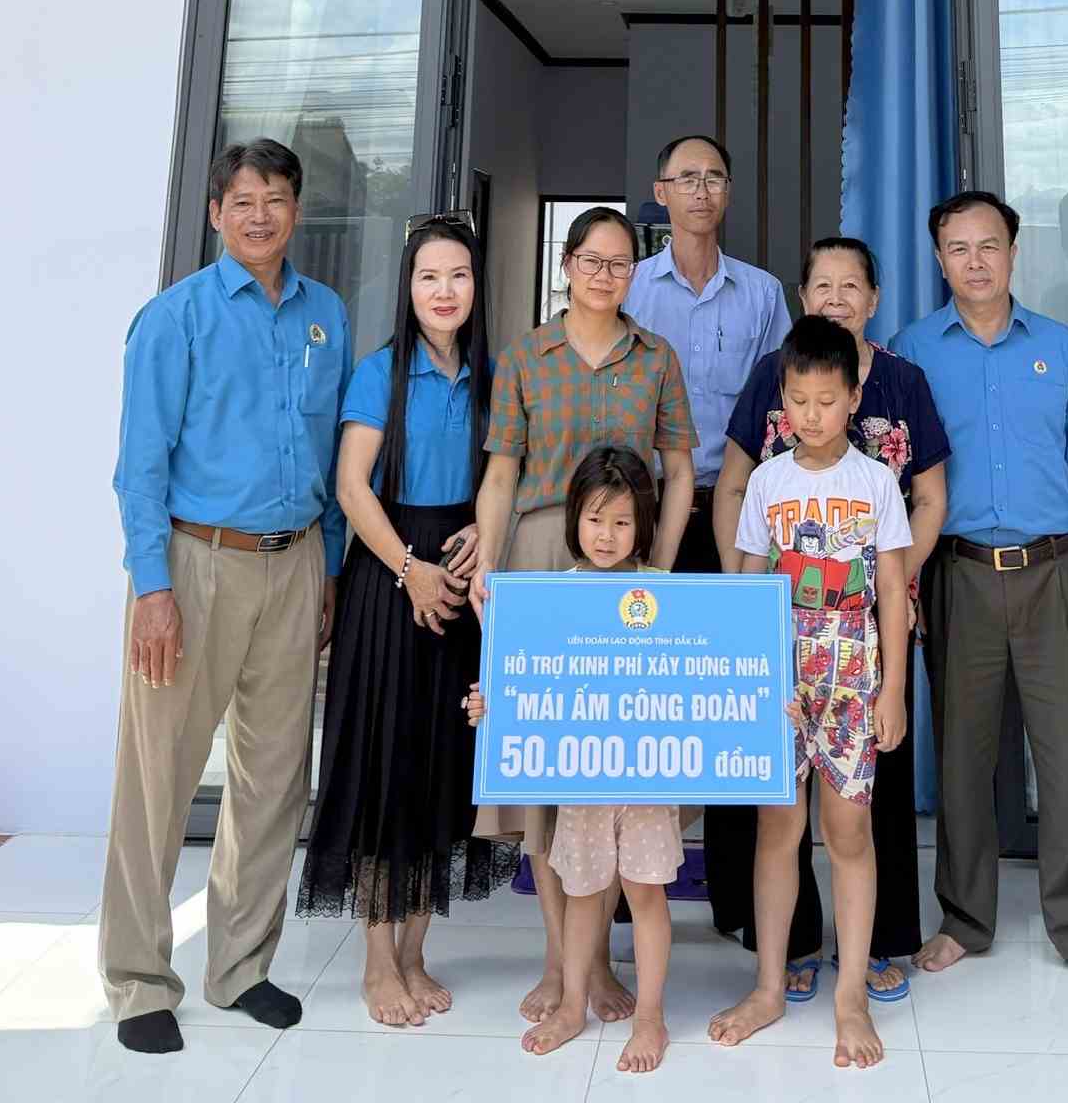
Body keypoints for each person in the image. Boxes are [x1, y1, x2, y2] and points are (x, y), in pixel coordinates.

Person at [102, 139, 349, 1054]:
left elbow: (327, 457)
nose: (259, 215)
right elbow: (139, 468)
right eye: (241, 200)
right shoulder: (175, 319)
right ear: (216, 213)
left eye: (276, 198)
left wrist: (326, 566)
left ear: (295, 212)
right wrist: (153, 589)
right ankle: (137, 980)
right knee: (159, 777)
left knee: (274, 777)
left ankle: (241, 966)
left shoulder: (327, 316)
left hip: (294, 568)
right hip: (193, 564)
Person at [890, 190, 1068, 995]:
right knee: (962, 755)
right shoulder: (911, 351)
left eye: (989, 245)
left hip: (1054, 570)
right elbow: (895, 482)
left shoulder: (1061, 350)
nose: (975, 262)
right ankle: (964, 919)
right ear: (939, 259)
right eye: (958, 248)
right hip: (956, 573)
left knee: (1066, 757)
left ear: (1015, 251)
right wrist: (904, 579)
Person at [470, 205, 697, 1028]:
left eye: (621, 263)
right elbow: (501, 472)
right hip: (539, 561)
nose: (606, 275)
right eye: (592, 261)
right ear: (566, 264)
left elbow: (679, 470)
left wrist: (662, 571)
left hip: (629, 576)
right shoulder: (526, 354)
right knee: (548, 773)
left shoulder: (657, 357)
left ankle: (599, 963)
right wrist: (489, 568)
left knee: (615, 762)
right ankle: (561, 961)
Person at [709, 237, 948, 1003]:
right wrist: (739, 672)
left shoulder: (879, 479)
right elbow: (747, 580)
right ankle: (772, 985)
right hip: (779, 679)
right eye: (799, 403)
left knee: (850, 832)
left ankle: (851, 992)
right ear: (784, 402)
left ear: (855, 400)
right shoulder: (766, 483)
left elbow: (889, 585)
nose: (813, 415)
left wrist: (891, 692)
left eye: (828, 402)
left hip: (855, 679)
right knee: (777, 831)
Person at [295, 216, 520, 1028]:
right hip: (391, 573)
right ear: (409, 286)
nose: (445, 291)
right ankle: (377, 961)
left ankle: (418, 953)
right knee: (385, 762)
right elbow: (353, 488)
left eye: (459, 275)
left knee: (444, 762)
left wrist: (479, 542)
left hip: (463, 573)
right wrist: (408, 569)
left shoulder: (497, 376)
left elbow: (503, 476)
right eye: (430, 277)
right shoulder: (379, 372)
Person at [465, 445, 679, 1073]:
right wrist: (492, 708)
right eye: (594, 519)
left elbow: (703, 676)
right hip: (580, 776)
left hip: (646, 777)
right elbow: (525, 679)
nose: (607, 535)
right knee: (584, 892)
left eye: (620, 521)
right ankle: (572, 1002)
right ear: (573, 522)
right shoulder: (549, 598)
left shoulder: (665, 594)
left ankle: (651, 1017)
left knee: (645, 893)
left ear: (643, 522)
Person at [623, 133, 793, 571]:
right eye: (687, 179)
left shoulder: (763, 293)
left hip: (736, 508)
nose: (702, 191)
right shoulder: (628, 288)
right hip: (642, 506)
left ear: (728, 191)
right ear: (661, 192)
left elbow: (781, 404)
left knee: (732, 638)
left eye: (714, 179)